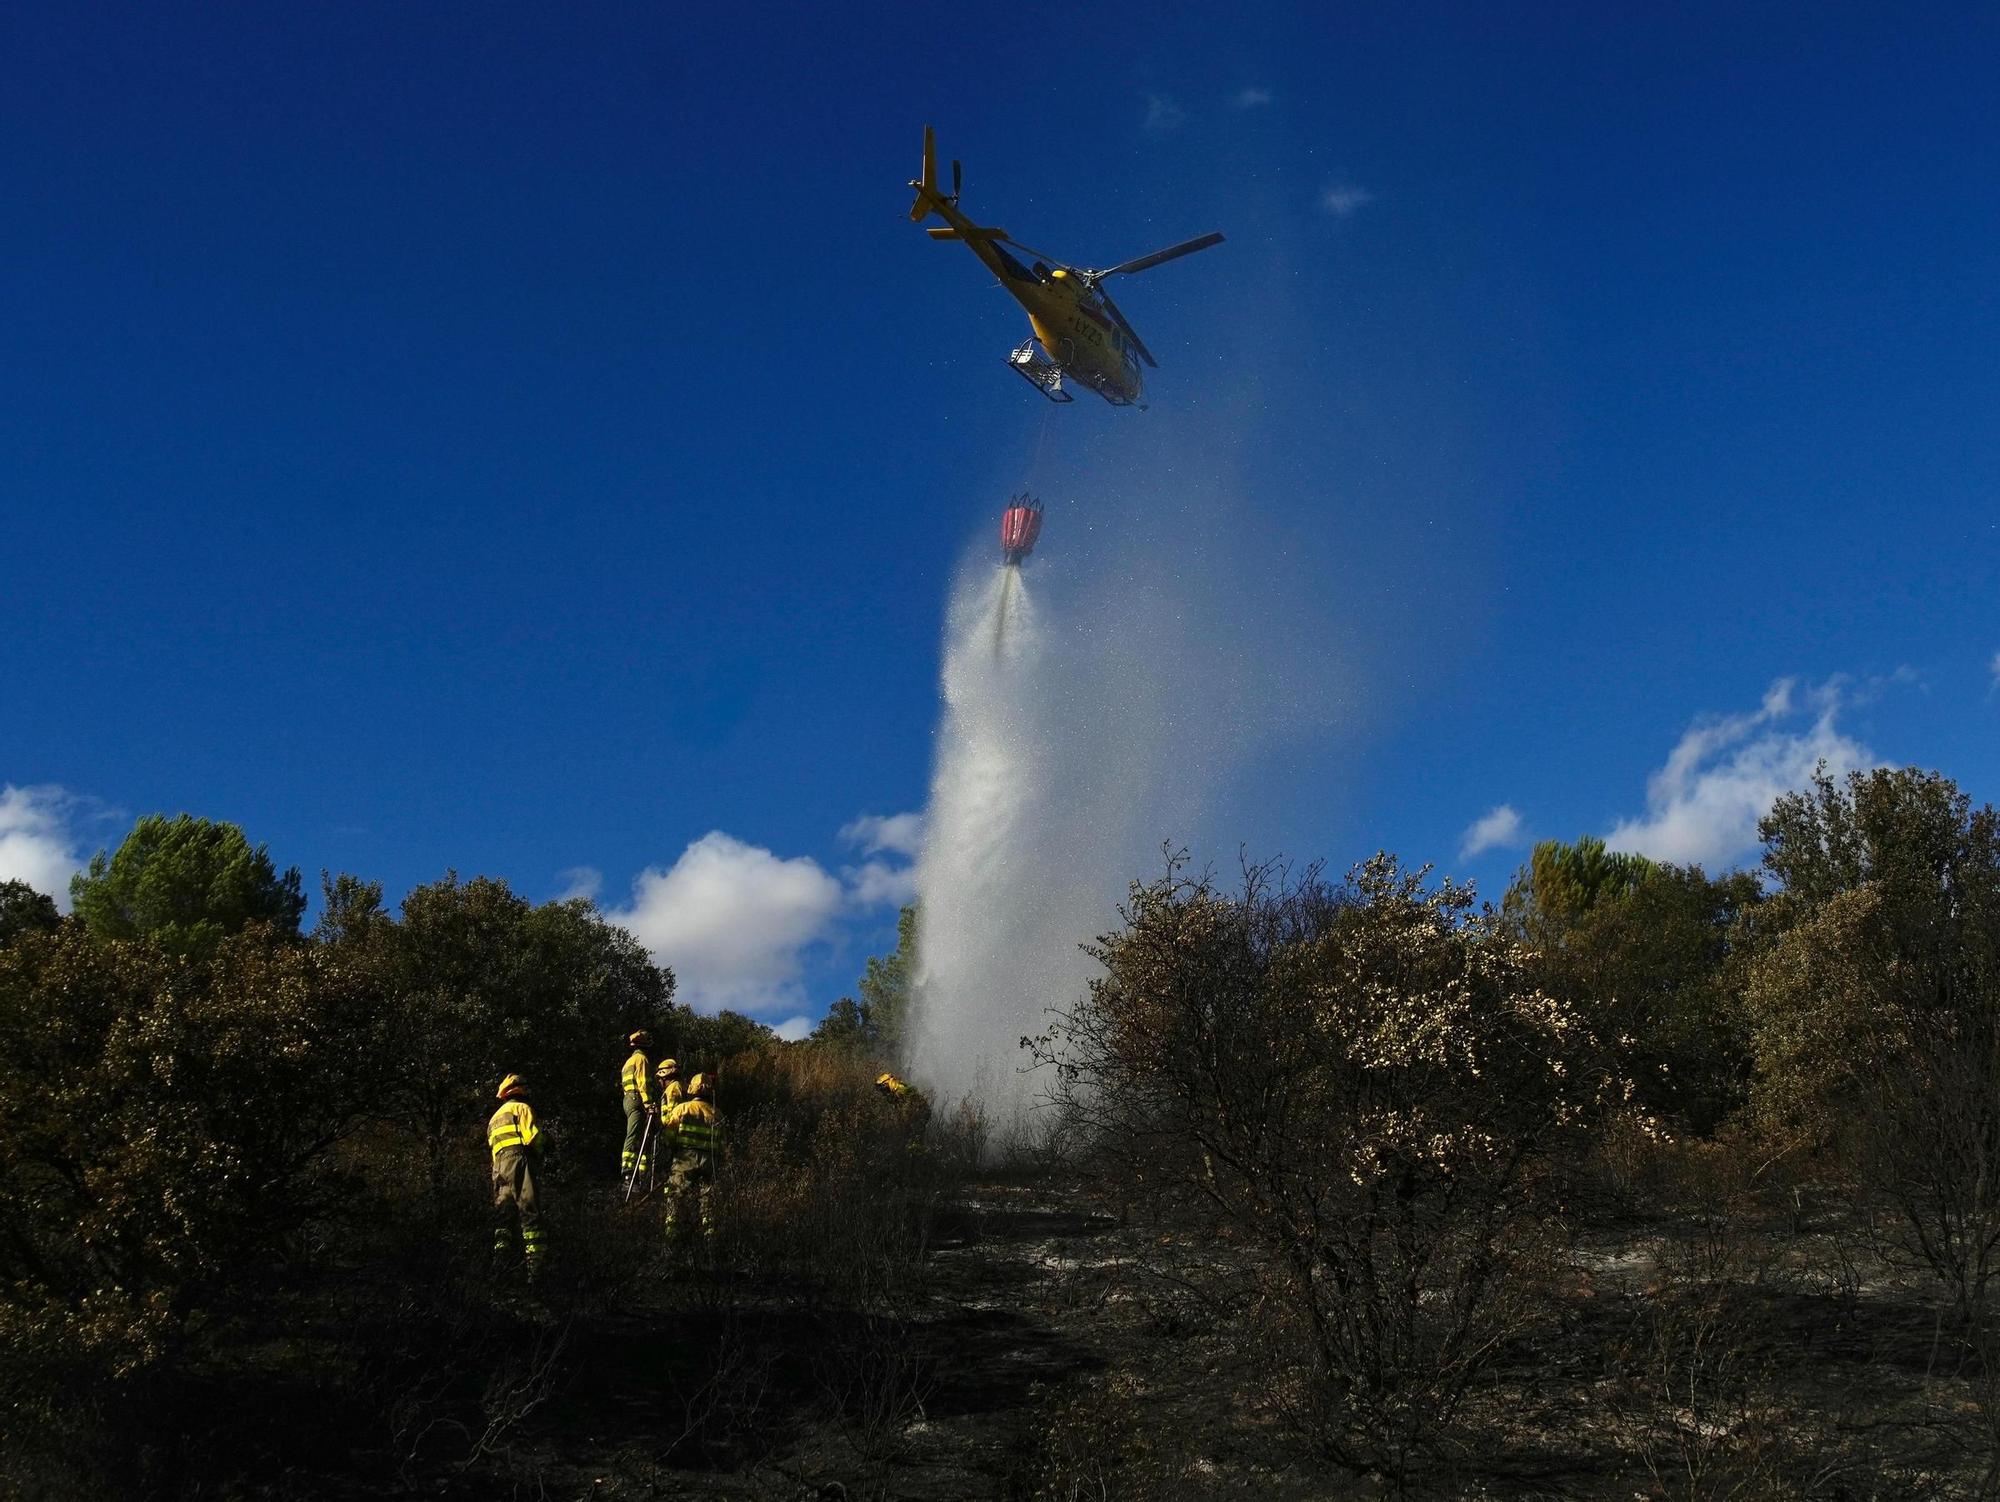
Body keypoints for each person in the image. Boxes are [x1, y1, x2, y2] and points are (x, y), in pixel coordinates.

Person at [488, 1073, 546, 1282]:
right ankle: (536, 1271)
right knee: (529, 1211)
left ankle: (500, 1267)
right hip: (519, 1160)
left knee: (503, 1216)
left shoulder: (494, 1118)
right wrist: (544, 1152)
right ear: (521, 1090)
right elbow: (534, 1138)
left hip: (498, 1167)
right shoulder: (522, 1109)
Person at [663, 1071, 721, 1243]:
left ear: (691, 1089)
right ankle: (709, 1234)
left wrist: (673, 1149)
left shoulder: (681, 1109)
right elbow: (723, 1142)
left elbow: (670, 1134)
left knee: (675, 1194)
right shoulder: (717, 1114)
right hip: (709, 1160)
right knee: (708, 1198)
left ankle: (671, 1234)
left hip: (685, 1158)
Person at [620, 1030, 654, 1182]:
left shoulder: (628, 1062)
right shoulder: (641, 1060)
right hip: (637, 1099)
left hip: (628, 1099)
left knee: (638, 1135)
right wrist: (648, 1104)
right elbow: (643, 1083)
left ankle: (638, 1174)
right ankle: (628, 1172)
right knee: (635, 1135)